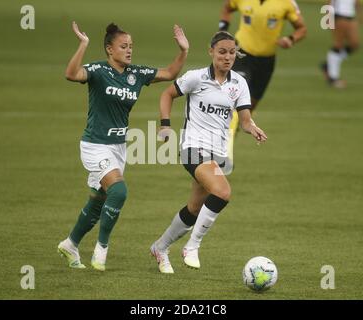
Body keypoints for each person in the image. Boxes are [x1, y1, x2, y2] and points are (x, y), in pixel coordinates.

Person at [57, 21, 189, 271]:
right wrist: (83, 45)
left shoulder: (136, 74)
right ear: (109, 49)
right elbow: (71, 74)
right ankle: (101, 249)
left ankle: (71, 244)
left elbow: (170, 73)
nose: (129, 50)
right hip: (95, 146)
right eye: (124, 46)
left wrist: (183, 51)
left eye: (131, 46)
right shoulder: (97, 70)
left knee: (98, 202)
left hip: (118, 148)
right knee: (119, 191)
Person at [150, 31, 267, 273]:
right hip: (192, 148)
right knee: (222, 192)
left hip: (217, 153)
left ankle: (160, 248)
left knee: (194, 208)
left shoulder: (239, 84)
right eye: (222, 51)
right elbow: (167, 94)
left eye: (232, 52)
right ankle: (192, 246)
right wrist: (164, 125)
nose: (227, 57)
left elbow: (245, 120)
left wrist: (252, 128)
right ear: (211, 52)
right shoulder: (196, 78)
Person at [218, 0, 307, 166]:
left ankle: (226, 143)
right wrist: (223, 30)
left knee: (247, 111)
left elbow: (302, 28)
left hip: (266, 62)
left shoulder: (286, 3)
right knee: (235, 103)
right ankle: (223, 152)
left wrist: (291, 39)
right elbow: (227, 8)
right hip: (241, 55)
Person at [321, 0, 361, 88]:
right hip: (339, 15)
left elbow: (356, 2)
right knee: (338, 45)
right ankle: (333, 78)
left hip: (351, 16)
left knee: (355, 44)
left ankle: (328, 65)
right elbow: (329, 1)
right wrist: (328, 18)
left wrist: (359, 15)